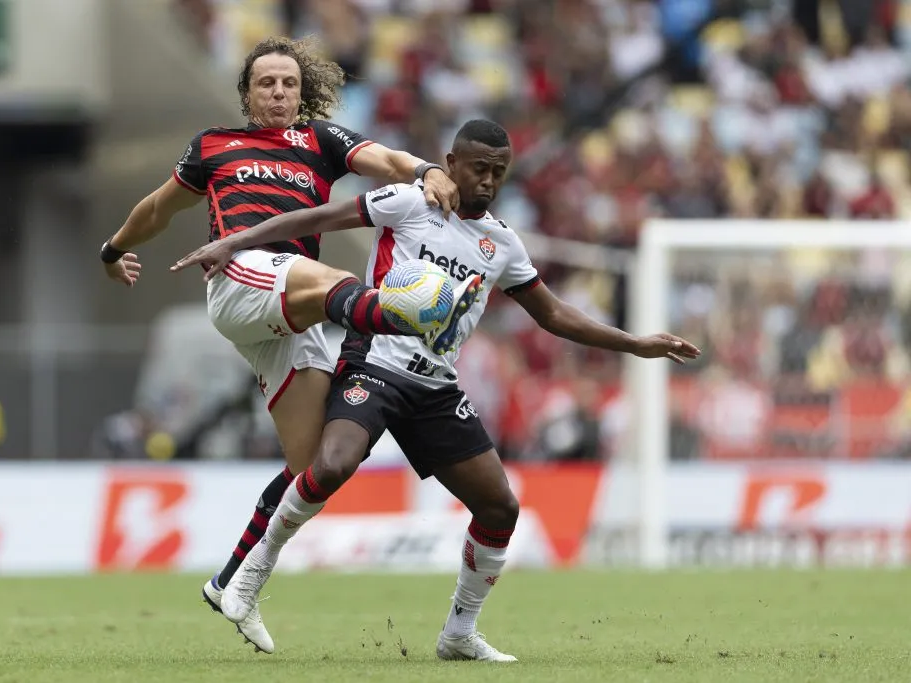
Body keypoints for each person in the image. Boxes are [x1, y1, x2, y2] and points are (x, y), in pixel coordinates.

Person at [172, 119, 701, 661]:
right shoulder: (407, 202)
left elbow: (554, 314)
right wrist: (235, 241)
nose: (489, 180)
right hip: (374, 363)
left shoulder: (503, 244)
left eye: (499, 171)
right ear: (451, 164)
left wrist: (635, 344)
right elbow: (319, 217)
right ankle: (250, 576)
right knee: (329, 466)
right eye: (479, 168)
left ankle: (459, 633)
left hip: (434, 387)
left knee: (499, 508)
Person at [101, 36, 479, 653]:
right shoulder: (213, 146)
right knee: (345, 287)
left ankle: (232, 583)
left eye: (288, 84)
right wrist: (114, 248)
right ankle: (409, 316)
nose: (277, 93)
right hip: (241, 279)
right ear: (247, 94)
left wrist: (425, 169)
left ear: (301, 94)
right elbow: (156, 209)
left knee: (311, 469)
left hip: (293, 312)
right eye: (265, 84)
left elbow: (381, 157)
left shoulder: (322, 142)